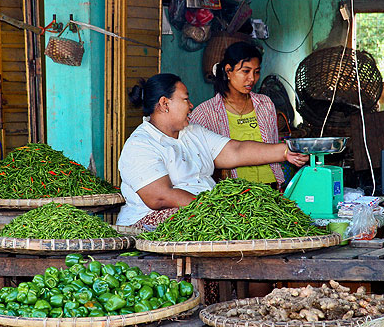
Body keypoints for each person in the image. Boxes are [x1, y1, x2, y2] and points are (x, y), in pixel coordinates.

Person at [116, 73, 308, 227]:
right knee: (230, 225)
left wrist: (284, 152)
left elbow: (236, 150)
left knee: (263, 216)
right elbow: (159, 196)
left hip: (201, 210)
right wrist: (212, 207)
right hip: (150, 221)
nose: (191, 105)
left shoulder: (192, 132)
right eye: (185, 99)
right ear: (165, 104)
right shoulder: (141, 144)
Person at [190, 42, 290, 187]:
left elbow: (273, 145)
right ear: (228, 71)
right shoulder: (205, 113)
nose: (252, 78)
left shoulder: (265, 104)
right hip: (233, 191)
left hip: (271, 185)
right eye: (245, 71)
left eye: (256, 72)